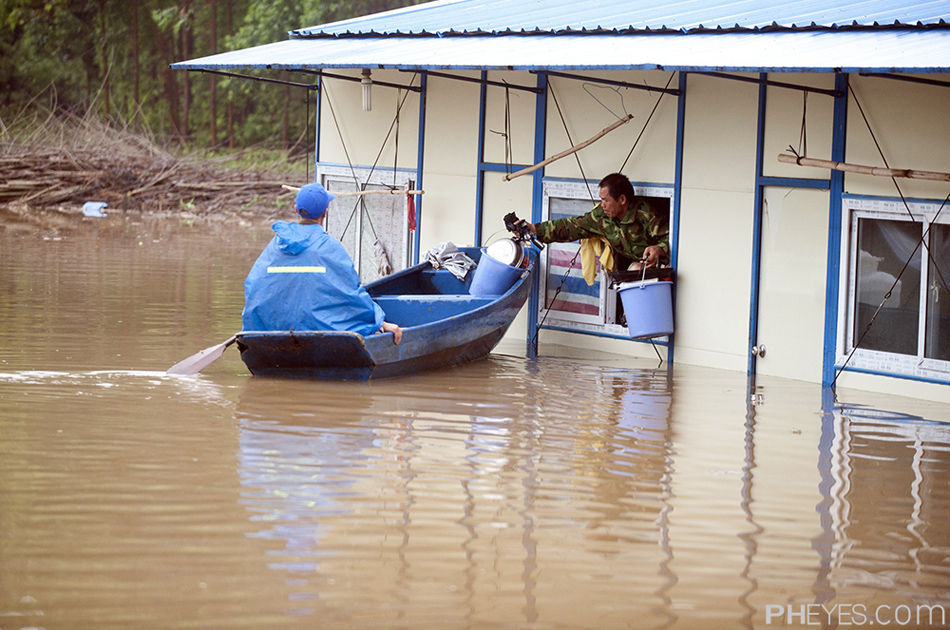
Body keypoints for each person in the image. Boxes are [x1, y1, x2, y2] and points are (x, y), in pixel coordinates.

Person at [241, 182, 403, 344]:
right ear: (325, 212)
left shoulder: (275, 245)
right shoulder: (330, 247)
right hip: (322, 331)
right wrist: (380, 321)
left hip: (272, 331)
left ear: (296, 209)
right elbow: (352, 294)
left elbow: (253, 285)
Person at [511, 172, 669, 273]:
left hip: (660, 266)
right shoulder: (601, 216)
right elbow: (571, 226)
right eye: (601, 200)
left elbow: (672, 239)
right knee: (634, 270)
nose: (602, 205)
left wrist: (659, 249)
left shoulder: (646, 214)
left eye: (606, 200)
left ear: (622, 199)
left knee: (639, 269)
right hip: (635, 266)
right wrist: (533, 229)